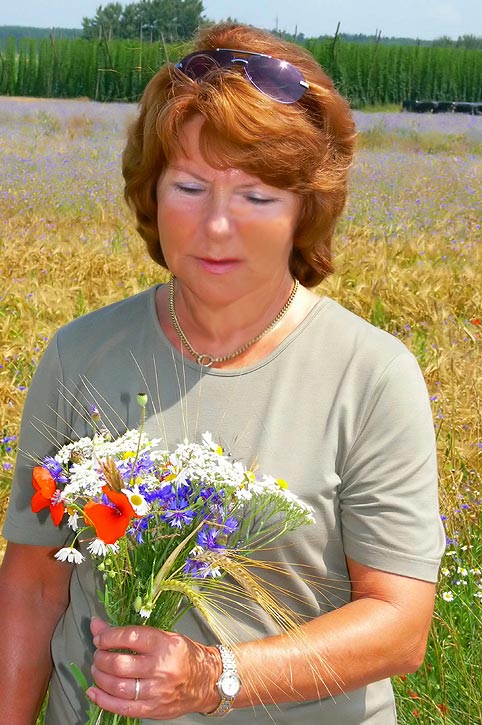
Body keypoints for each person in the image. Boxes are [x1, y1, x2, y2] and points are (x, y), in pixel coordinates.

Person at [0, 21, 444, 725]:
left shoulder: (373, 375)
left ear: (305, 209)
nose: (215, 226)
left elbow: (400, 621)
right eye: (191, 186)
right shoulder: (78, 355)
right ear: (151, 191)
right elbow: (31, 587)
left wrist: (216, 676)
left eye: (257, 196)